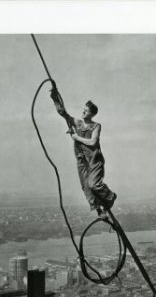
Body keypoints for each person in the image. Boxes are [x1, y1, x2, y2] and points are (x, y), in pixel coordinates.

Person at [50, 88, 116, 219]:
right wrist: (55, 98)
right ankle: (100, 212)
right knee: (86, 187)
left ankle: (110, 196)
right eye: (84, 109)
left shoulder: (96, 126)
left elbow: (93, 142)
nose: (83, 111)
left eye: (86, 110)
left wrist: (76, 138)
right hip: (81, 159)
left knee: (94, 184)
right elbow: (63, 113)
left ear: (92, 114)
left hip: (94, 160)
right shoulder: (78, 123)